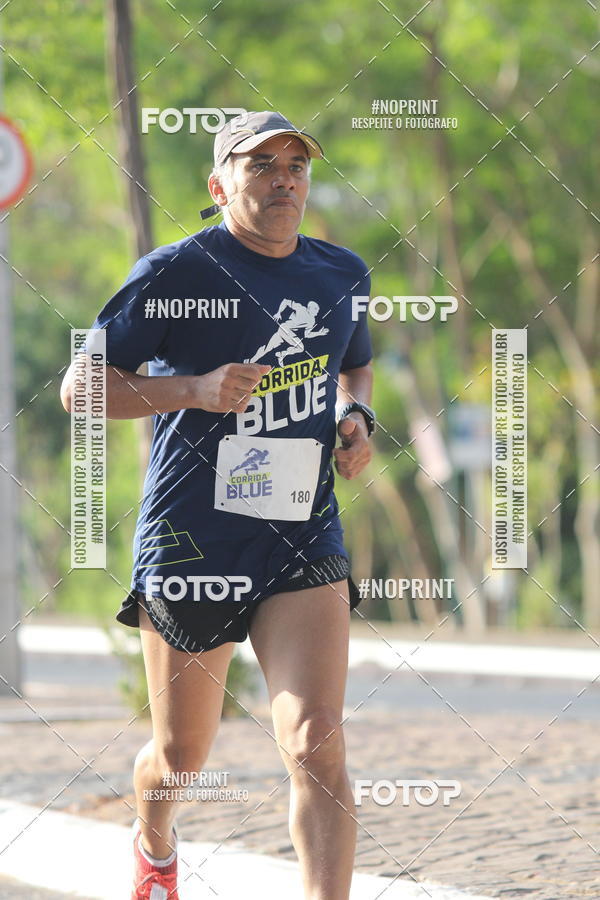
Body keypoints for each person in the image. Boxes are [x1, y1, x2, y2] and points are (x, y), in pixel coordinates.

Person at [60, 109, 376, 900]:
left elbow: (354, 368)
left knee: (317, 742)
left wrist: (354, 416)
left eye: (295, 164)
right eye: (260, 163)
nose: (283, 177)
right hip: (192, 540)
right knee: (181, 758)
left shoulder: (340, 274)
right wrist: (190, 391)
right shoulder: (175, 274)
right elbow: (79, 389)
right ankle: (155, 840)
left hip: (300, 529)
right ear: (219, 184)